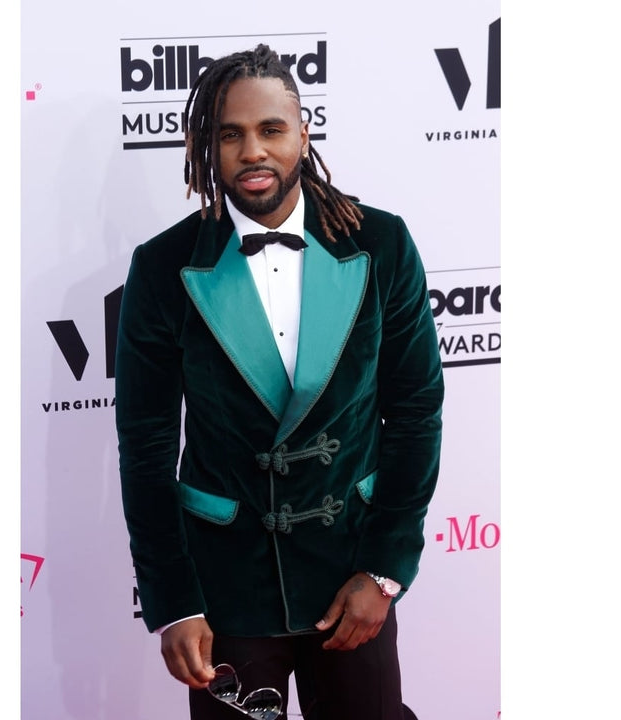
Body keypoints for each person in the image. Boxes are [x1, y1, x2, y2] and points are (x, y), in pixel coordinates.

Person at [115, 43, 444, 720]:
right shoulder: (163, 267)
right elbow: (145, 448)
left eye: (271, 129)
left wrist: (383, 572)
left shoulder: (381, 243)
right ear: (205, 147)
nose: (252, 152)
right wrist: (173, 601)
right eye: (229, 135)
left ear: (303, 132)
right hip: (227, 590)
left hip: (350, 571)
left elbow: (415, 413)